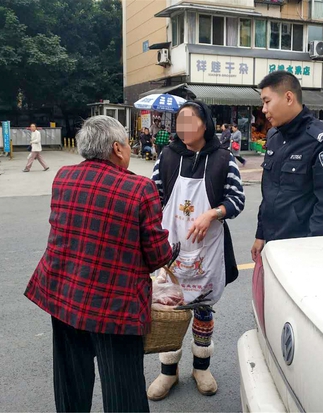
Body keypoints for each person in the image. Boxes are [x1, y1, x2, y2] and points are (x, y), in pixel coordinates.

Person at [24, 116, 173, 413]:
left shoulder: (63, 176)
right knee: (122, 389)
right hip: (113, 307)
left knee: (71, 380)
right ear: (117, 148)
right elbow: (158, 257)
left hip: (64, 295)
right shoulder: (139, 189)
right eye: (128, 145)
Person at [148, 100, 245, 400]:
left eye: (189, 120)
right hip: (171, 251)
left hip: (207, 251)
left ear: (205, 124)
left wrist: (212, 214)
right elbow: (153, 197)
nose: (183, 127)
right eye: (179, 121)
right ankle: (168, 372)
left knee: (203, 311)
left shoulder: (222, 159)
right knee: (169, 312)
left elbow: (237, 200)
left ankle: (201, 367)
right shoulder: (166, 156)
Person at [251, 71, 323, 262]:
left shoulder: (321, 141)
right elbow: (269, 193)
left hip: (301, 247)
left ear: (288, 97)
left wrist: (312, 249)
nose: (263, 109)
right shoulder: (274, 137)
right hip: (271, 242)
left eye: (267, 101)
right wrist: (260, 233)